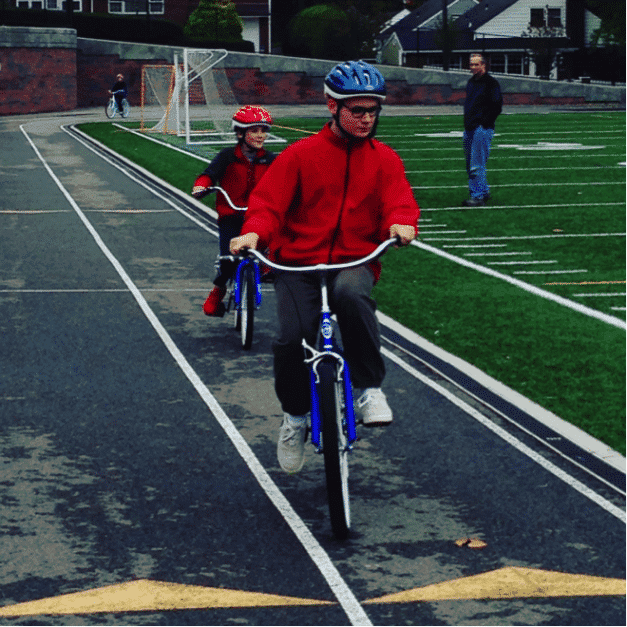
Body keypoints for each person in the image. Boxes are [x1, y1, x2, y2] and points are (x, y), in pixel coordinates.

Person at [230, 61, 420, 474]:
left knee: (351, 296)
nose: (366, 118)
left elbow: (399, 199)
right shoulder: (301, 155)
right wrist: (253, 234)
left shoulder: (385, 159)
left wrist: (402, 222)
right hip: (298, 263)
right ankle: (295, 417)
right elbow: (268, 203)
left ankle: (369, 388)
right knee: (291, 337)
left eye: (373, 111)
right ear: (332, 107)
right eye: (357, 110)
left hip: (355, 258)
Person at [192, 106, 276, 316]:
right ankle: (217, 293)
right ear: (240, 133)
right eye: (254, 130)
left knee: (275, 244)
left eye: (263, 130)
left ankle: (267, 267)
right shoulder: (227, 157)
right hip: (232, 216)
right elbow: (209, 175)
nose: (260, 135)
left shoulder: (271, 159)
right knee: (229, 260)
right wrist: (201, 186)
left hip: (259, 216)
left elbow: (285, 179)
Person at [462, 53, 503, 207]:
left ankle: (478, 196)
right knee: (471, 163)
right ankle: (483, 191)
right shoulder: (472, 82)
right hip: (470, 127)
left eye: (476, 64)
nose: (472, 67)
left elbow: (496, 105)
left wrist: (484, 123)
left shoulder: (491, 83)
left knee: (476, 164)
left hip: (481, 128)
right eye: (471, 64)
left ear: (483, 65)